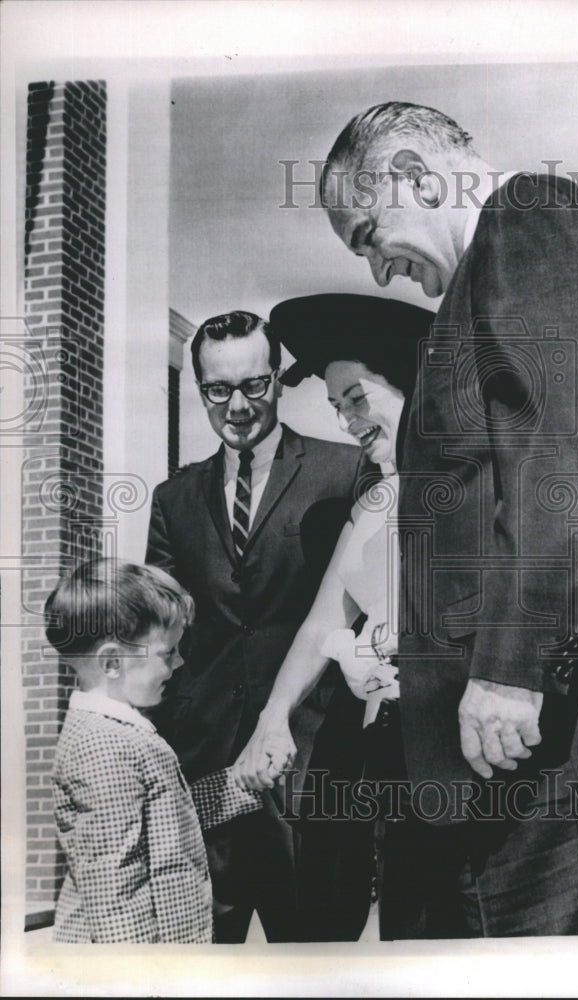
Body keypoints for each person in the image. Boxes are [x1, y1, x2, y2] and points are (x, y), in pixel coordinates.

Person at [318, 101, 578, 936]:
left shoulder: (529, 215)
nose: (377, 272)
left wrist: (509, 670)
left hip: (563, 749)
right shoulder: (473, 288)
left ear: (413, 174)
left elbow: (560, 458)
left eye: (368, 235)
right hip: (522, 762)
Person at [232, 293, 461, 940]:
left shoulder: (473, 483)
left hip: (457, 750)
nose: (347, 421)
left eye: (357, 399)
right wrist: (271, 719)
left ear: (411, 383)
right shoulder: (376, 499)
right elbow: (319, 621)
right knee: (405, 923)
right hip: (387, 747)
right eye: (337, 408)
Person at [145, 310, 361, 942]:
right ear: (201, 389)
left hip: (317, 769)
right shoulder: (173, 499)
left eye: (254, 386)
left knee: (320, 962)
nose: (237, 406)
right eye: (219, 390)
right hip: (208, 774)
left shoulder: (345, 472)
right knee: (203, 963)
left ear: (278, 379)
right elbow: (162, 633)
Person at [45, 558, 264, 943]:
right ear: (113, 662)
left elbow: (160, 820)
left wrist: (238, 785)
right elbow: (114, 885)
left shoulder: (122, 729)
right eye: (168, 653)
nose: (179, 663)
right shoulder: (103, 747)